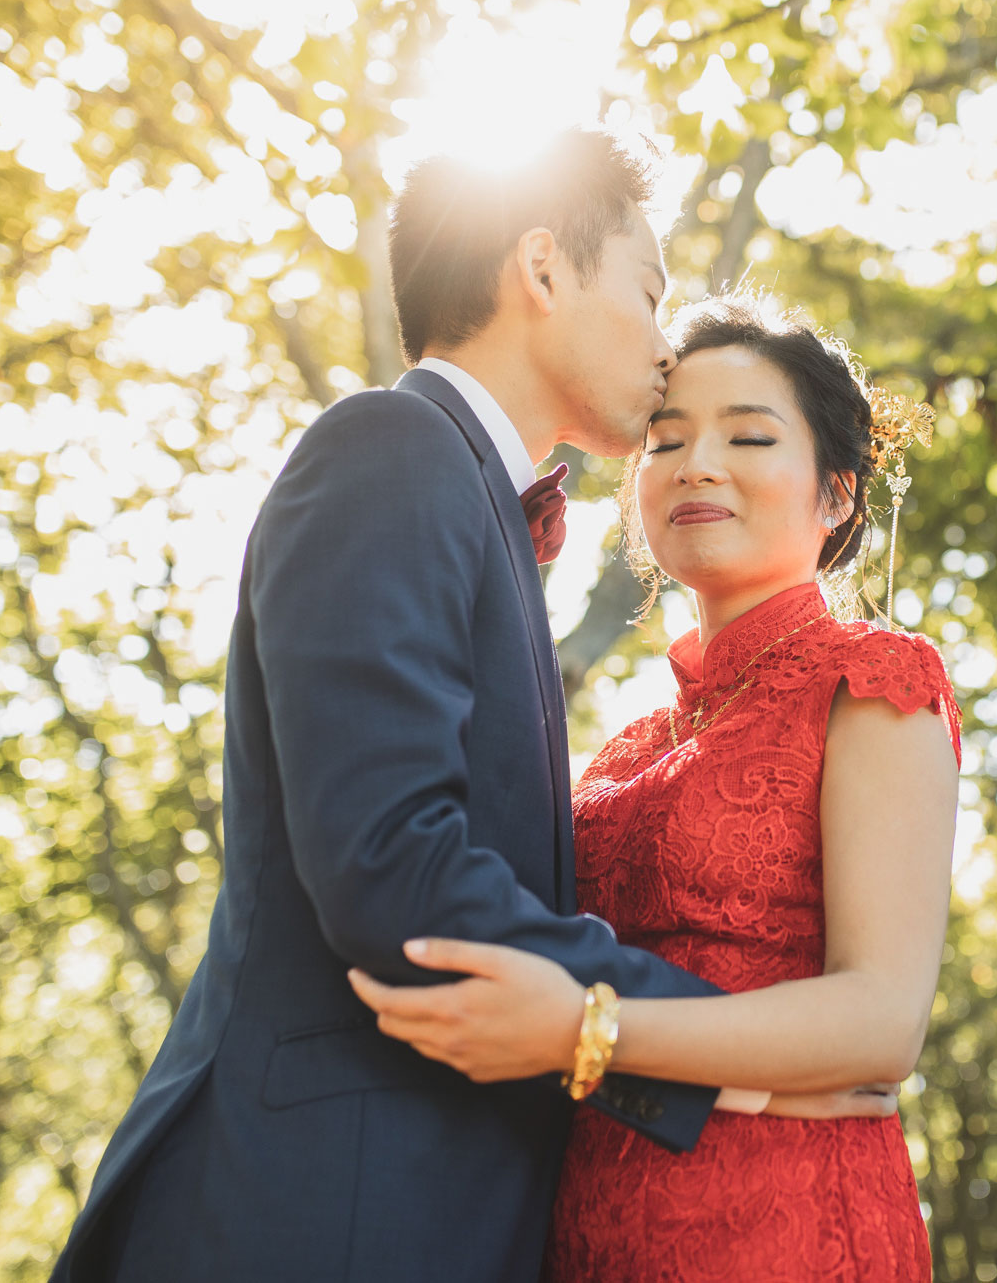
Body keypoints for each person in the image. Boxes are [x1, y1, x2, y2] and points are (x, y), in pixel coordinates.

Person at [50, 134, 886, 1283]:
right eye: (647, 295)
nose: (660, 348)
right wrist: (703, 1044)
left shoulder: (471, 500)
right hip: (322, 1204)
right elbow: (393, 859)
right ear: (540, 270)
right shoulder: (389, 451)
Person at [351, 294, 963, 1281]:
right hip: (583, 1224)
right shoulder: (627, 745)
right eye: (665, 440)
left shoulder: (873, 677)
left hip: (787, 1229)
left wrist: (581, 1030)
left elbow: (881, 1020)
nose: (697, 464)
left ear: (838, 494)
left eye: (749, 436)